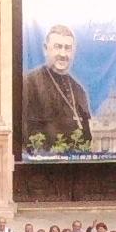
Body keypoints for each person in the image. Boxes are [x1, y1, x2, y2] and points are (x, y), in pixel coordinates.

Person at [21, 24, 93, 154]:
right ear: (45, 49)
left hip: (75, 162)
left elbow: (87, 136)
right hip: (43, 162)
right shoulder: (29, 83)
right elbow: (24, 132)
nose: (63, 54)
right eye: (58, 47)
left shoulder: (79, 90)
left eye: (68, 48)